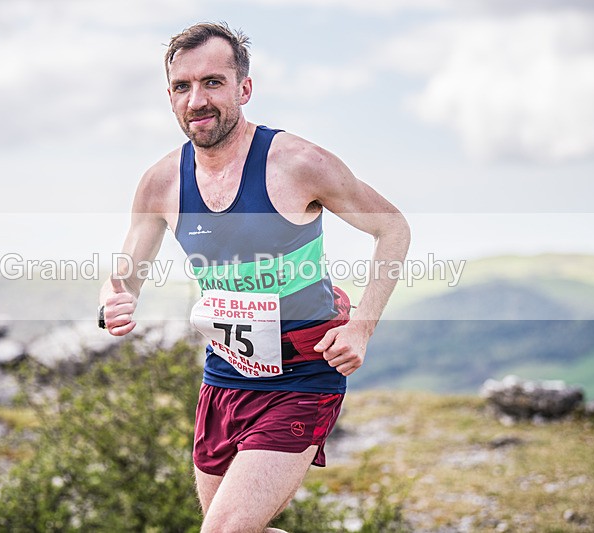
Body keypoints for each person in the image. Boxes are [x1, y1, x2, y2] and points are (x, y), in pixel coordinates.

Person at [98, 22, 411, 533]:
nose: (197, 99)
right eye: (182, 87)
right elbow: (125, 274)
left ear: (244, 89)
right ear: (171, 97)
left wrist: (362, 327)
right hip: (223, 377)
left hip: (303, 376)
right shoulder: (161, 182)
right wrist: (113, 300)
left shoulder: (298, 163)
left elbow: (392, 228)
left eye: (213, 82)